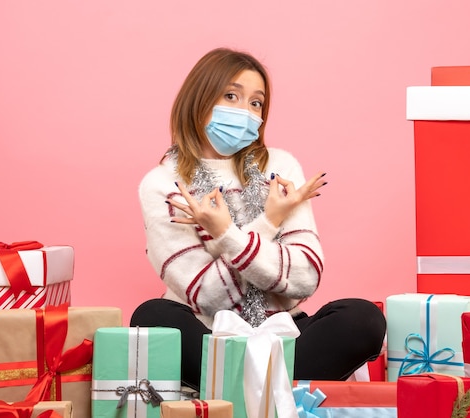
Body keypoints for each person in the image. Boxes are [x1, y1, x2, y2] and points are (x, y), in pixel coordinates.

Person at [132, 47, 386, 390]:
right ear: (199, 99)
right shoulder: (163, 184)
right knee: (152, 318)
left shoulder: (280, 168)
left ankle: (234, 391)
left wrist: (225, 235)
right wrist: (268, 222)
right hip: (207, 334)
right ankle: (274, 392)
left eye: (256, 103)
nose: (245, 112)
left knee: (363, 318)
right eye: (232, 96)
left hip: (285, 332)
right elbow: (206, 295)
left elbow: (305, 277)